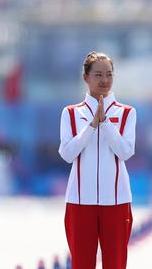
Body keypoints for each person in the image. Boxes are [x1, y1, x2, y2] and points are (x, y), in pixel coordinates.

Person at [58, 51, 136, 269]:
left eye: (109, 75)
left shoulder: (127, 113)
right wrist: (91, 126)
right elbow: (67, 154)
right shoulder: (71, 114)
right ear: (86, 77)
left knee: (115, 264)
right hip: (80, 201)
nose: (104, 81)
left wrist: (106, 124)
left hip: (117, 201)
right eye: (98, 75)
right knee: (82, 264)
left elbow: (125, 152)